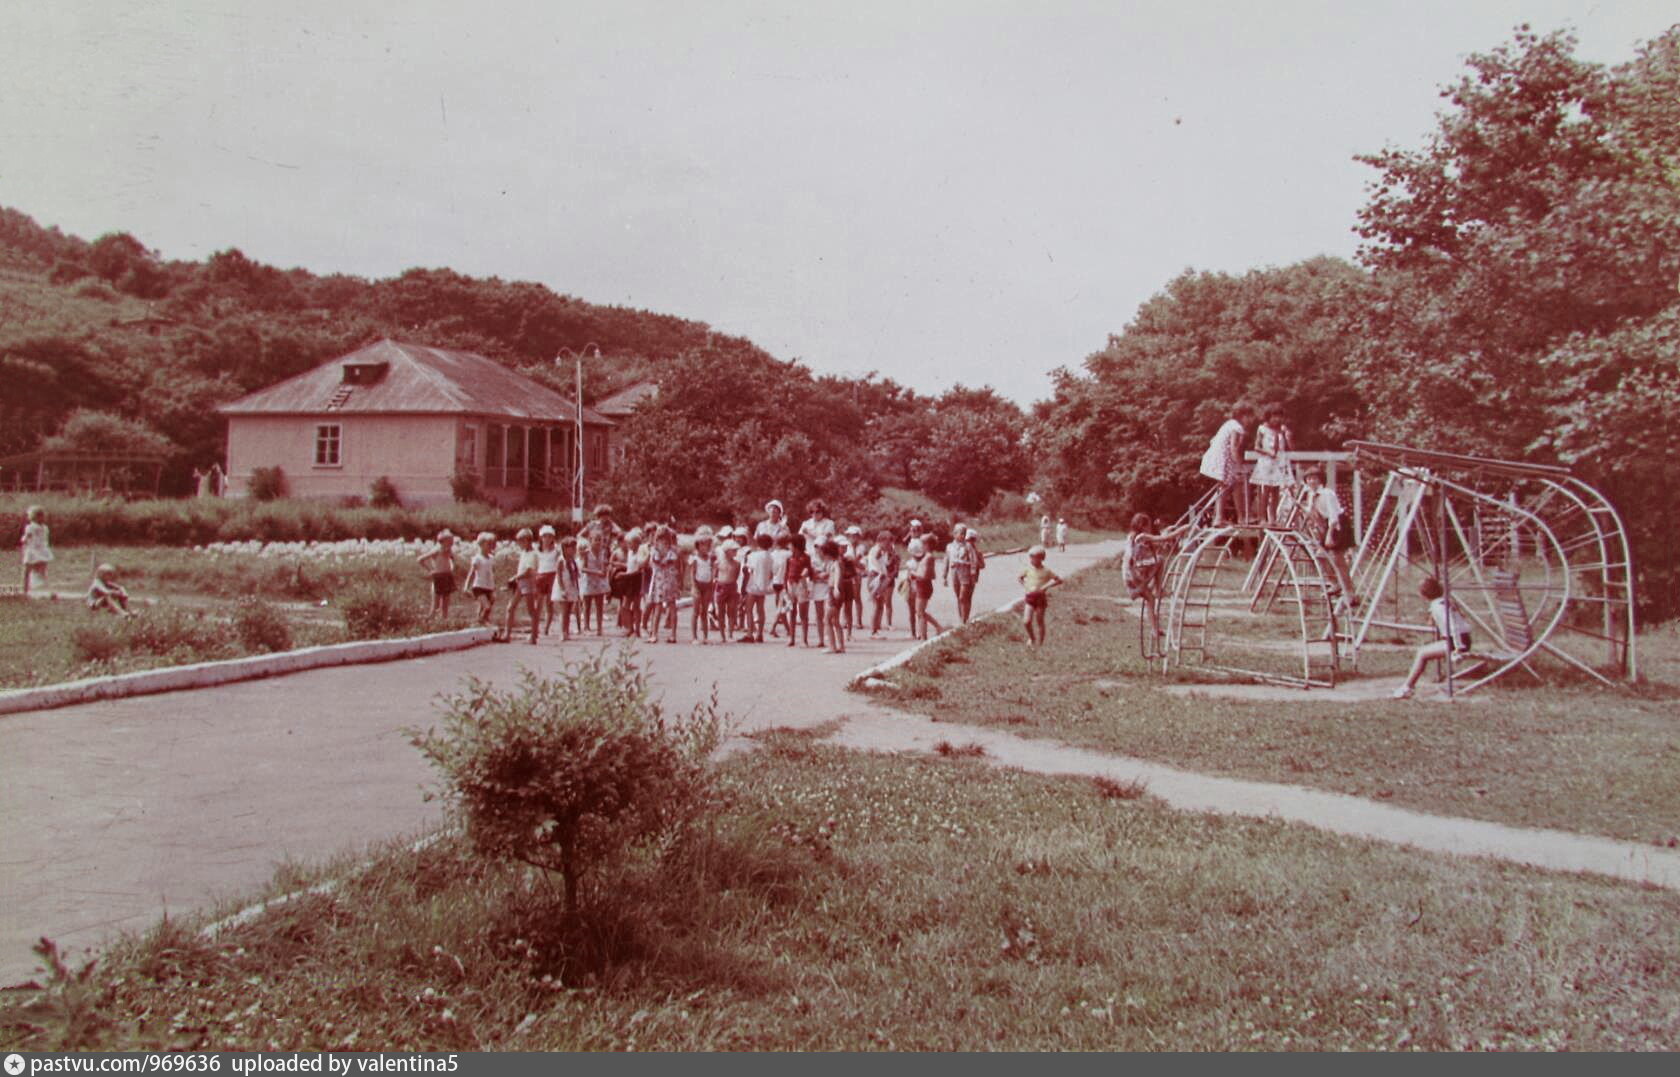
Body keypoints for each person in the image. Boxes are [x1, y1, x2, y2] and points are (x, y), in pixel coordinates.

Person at [1393, 576, 1474, 700]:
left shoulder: (1439, 607)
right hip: (1460, 638)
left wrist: (1458, 649)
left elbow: (1452, 626)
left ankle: (1407, 687)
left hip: (1457, 641)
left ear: (1424, 594)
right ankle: (1408, 686)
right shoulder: (1443, 602)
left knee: (1422, 653)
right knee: (1424, 651)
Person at [1122, 513, 1190, 645]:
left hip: (1132, 575)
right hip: (1136, 575)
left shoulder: (1133, 538)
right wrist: (1184, 528)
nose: (1150, 528)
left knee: (1150, 599)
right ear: (1142, 526)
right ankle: (1158, 589)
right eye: (1148, 525)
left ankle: (1154, 630)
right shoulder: (1141, 537)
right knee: (1160, 560)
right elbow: (1165, 538)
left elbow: (1160, 540)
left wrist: (1171, 529)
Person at [1302, 467, 1354, 603]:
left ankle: (1349, 593)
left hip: (1338, 525)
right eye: (1309, 479)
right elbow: (1312, 511)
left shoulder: (1327, 493)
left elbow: (1333, 516)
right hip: (1325, 526)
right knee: (1320, 556)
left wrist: (1330, 535)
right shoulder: (1310, 495)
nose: (1311, 481)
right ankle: (1334, 583)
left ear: (1320, 480)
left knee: (1338, 560)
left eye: (1314, 478)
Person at [1199, 404, 1254, 525]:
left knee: (1227, 486)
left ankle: (1221, 517)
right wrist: (1239, 467)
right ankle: (1241, 517)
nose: (1251, 420)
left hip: (1216, 457)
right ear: (1242, 416)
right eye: (1249, 417)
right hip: (1223, 459)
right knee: (1235, 484)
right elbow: (1234, 448)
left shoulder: (1229, 424)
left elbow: (1214, 440)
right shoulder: (1237, 427)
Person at [1249, 408, 1294, 525]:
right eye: (1274, 416)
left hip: (1280, 462)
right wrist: (1268, 453)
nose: (1277, 419)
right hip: (1267, 461)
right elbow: (1257, 447)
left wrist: (1287, 436)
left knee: (1276, 490)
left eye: (1279, 416)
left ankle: (1273, 519)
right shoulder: (1262, 429)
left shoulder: (1282, 430)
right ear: (1268, 416)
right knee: (1265, 490)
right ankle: (1263, 518)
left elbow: (1290, 448)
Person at [1019, 545, 1064, 649]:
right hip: (1030, 597)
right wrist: (1026, 586)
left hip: (1040, 599)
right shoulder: (1027, 569)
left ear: (1041, 558)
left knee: (1039, 621)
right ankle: (1032, 638)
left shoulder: (1046, 571)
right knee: (1026, 621)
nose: (1031, 560)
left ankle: (1040, 643)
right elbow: (1020, 578)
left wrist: (1045, 587)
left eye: (1034, 557)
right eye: (1030, 557)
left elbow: (1059, 580)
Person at [500, 528, 541, 644]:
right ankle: (507, 635)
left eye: (521, 541)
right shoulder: (524, 553)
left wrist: (515, 577)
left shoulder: (533, 554)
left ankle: (533, 636)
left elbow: (528, 571)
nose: (519, 544)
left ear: (527, 541)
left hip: (528, 583)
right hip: (520, 584)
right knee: (510, 607)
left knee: (531, 610)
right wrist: (516, 578)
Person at [644, 526, 682, 644]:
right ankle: (672, 634)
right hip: (669, 579)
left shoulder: (656, 550)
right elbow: (674, 563)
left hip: (661, 579)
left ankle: (655, 634)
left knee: (659, 607)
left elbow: (655, 562)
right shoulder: (672, 550)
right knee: (670, 606)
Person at [416, 529, 460, 620]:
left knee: (446, 600)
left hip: (447, 575)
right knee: (436, 600)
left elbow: (452, 559)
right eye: (449, 542)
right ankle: (431, 618)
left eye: (452, 542)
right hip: (439, 576)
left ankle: (444, 619)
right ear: (442, 542)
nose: (451, 544)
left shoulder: (449, 550)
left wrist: (453, 566)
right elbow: (420, 559)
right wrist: (430, 570)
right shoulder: (437, 550)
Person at [944, 524, 982, 625]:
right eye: (960, 533)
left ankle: (964, 620)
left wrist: (973, 573)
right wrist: (944, 575)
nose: (962, 536)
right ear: (954, 534)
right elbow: (946, 560)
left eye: (964, 534)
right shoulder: (949, 546)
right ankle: (962, 618)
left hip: (965, 572)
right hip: (954, 572)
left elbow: (974, 561)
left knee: (963, 597)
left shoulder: (968, 546)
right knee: (958, 597)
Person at [905, 538, 943, 641]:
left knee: (920, 612)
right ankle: (924, 634)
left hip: (924, 586)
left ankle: (936, 628)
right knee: (920, 612)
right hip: (921, 586)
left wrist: (913, 574)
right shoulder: (924, 558)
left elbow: (923, 575)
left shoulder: (928, 558)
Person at [742, 532, 776, 643]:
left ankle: (750, 633)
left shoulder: (753, 555)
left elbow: (748, 571)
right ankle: (760, 634)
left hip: (753, 584)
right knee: (760, 610)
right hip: (763, 585)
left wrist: (744, 586)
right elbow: (771, 573)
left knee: (749, 610)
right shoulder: (770, 557)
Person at [867, 529, 899, 637]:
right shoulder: (877, 550)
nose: (890, 544)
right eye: (888, 542)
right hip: (875, 577)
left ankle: (876, 628)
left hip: (881, 577)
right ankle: (873, 631)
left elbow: (884, 565)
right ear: (882, 541)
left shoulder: (882, 551)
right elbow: (875, 559)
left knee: (880, 605)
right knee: (877, 605)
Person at [784, 532, 814, 647]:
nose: (789, 546)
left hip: (801, 584)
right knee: (791, 612)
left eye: (790, 544)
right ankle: (792, 638)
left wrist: (806, 574)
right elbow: (786, 573)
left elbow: (810, 571)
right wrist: (785, 586)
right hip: (791, 584)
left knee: (803, 613)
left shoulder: (805, 558)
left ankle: (804, 639)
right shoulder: (789, 558)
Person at [713, 526, 742, 642]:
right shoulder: (719, 562)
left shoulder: (737, 564)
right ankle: (722, 634)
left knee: (731, 611)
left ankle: (730, 633)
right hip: (721, 586)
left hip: (731, 586)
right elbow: (714, 575)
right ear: (726, 551)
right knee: (720, 612)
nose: (735, 552)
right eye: (733, 550)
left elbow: (736, 576)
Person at [690, 527, 717, 644]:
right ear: (698, 546)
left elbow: (712, 573)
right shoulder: (695, 559)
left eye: (707, 545)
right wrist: (694, 587)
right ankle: (694, 637)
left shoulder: (710, 559)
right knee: (696, 611)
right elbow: (692, 574)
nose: (705, 547)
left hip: (707, 586)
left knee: (704, 612)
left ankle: (705, 636)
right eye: (702, 545)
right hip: (697, 585)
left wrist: (711, 585)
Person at [552, 536, 581, 641]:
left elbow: (575, 575)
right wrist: (562, 589)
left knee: (568, 611)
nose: (574, 550)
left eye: (575, 548)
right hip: (563, 587)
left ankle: (567, 631)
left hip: (571, 587)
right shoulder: (561, 560)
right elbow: (559, 576)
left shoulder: (573, 561)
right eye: (571, 548)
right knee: (564, 611)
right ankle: (562, 632)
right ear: (565, 548)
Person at [18, 505, 52, 596]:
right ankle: (46, 589)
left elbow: (26, 538)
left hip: (33, 551)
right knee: (42, 572)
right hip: (43, 551)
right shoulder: (45, 528)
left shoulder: (30, 527)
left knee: (26, 572)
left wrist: (23, 541)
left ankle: (25, 590)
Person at [820, 539, 847, 654]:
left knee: (827, 619)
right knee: (835, 620)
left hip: (834, 591)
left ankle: (832, 646)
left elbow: (838, 576)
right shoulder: (834, 563)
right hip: (836, 590)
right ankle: (841, 645)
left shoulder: (836, 563)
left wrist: (835, 587)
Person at [534, 525, 561, 635]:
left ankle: (546, 628)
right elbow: (535, 565)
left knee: (549, 604)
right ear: (541, 538)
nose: (547, 539)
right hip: (540, 576)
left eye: (550, 537)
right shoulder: (537, 551)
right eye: (545, 536)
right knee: (538, 604)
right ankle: (535, 627)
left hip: (552, 577)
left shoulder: (556, 551)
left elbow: (559, 564)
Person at [467, 532, 498, 625]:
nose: (491, 547)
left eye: (492, 544)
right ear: (481, 544)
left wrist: (494, 586)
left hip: (489, 586)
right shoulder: (478, 558)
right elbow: (471, 573)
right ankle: (482, 621)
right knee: (486, 607)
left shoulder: (491, 558)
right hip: (479, 586)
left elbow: (492, 572)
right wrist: (466, 586)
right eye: (488, 544)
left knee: (485, 606)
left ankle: (479, 622)